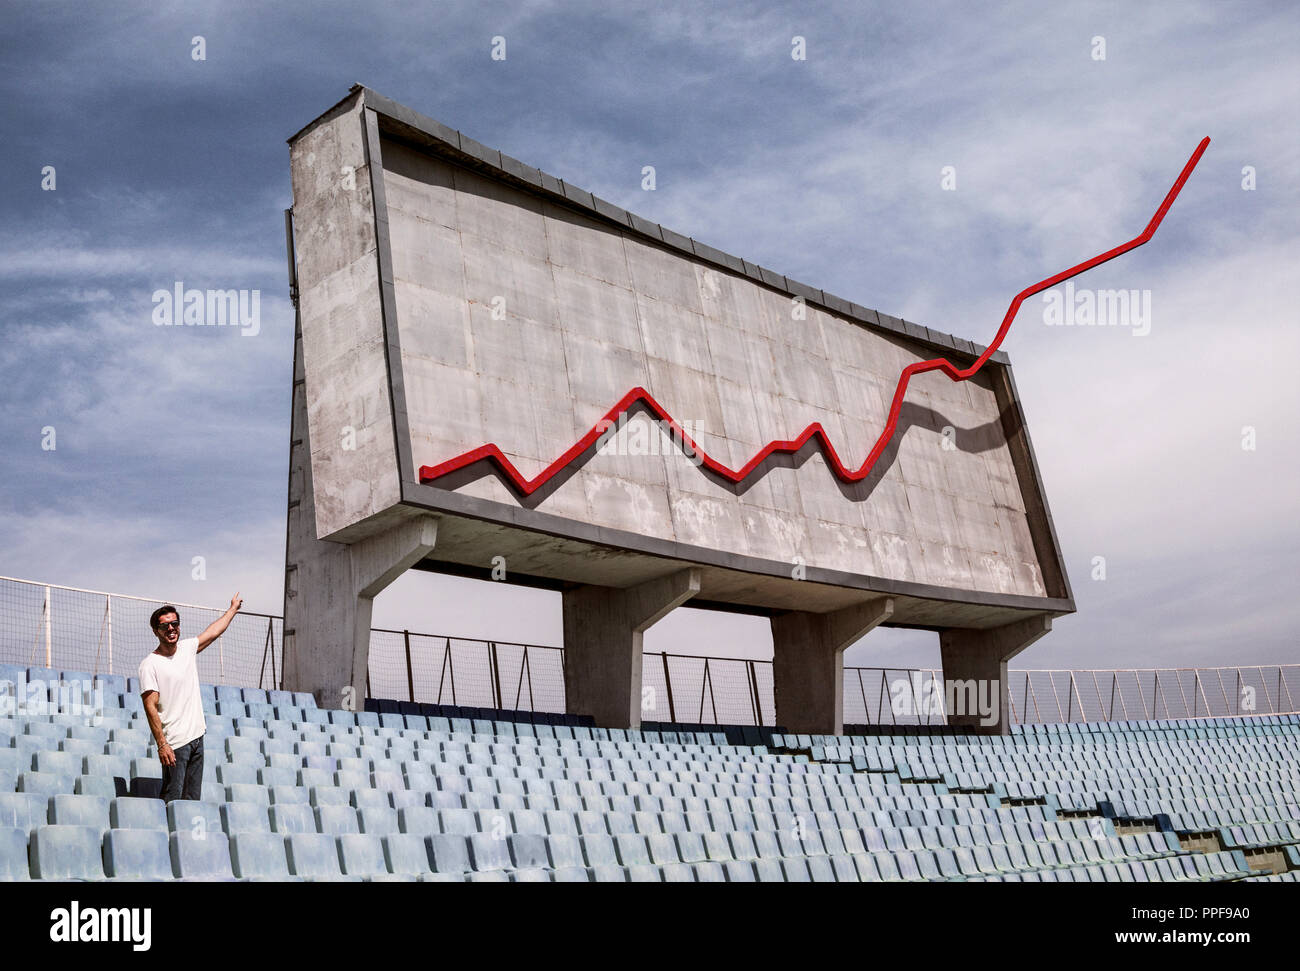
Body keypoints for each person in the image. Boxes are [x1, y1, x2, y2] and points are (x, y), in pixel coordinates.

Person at [139, 594, 242, 802]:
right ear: (155, 631)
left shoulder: (187, 649)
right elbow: (150, 706)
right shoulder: (149, 665)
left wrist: (232, 609)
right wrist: (162, 744)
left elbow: (213, 632)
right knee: (173, 800)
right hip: (175, 744)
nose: (171, 629)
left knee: (192, 801)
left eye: (174, 624)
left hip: (197, 738)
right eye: (164, 626)